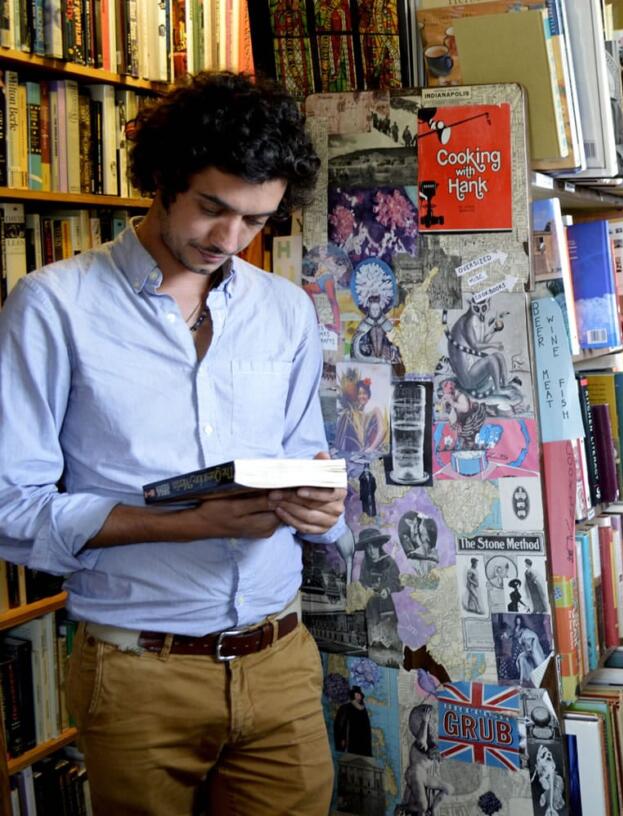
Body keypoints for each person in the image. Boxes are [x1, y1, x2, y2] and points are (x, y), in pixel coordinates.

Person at [0, 72, 346, 814]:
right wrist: (189, 524)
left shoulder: (284, 309)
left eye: (255, 221)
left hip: (281, 657)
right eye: (212, 209)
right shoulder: (54, 305)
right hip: (136, 671)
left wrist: (321, 504)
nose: (229, 241)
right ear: (161, 180)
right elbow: (9, 507)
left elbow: (303, 452)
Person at [333, 686, 373, 757]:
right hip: (350, 740)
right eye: (357, 694)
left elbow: (367, 728)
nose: (359, 696)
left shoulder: (363, 711)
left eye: (360, 695)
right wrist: (342, 738)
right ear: (353, 695)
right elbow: (340, 724)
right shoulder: (346, 707)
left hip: (361, 741)